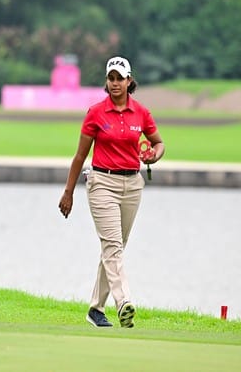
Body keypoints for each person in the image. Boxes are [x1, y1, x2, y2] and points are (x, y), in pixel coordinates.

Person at [58, 56, 165, 328]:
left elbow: (158, 142)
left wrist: (154, 156)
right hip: (102, 183)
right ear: (107, 81)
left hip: (132, 185)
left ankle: (95, 309)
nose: (115, 83)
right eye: (111, 78)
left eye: (120, 78)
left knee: (115, 248)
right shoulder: (96, 113)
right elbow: (80, 155)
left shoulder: (141, 112)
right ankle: (123, 303)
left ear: (130, 81)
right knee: (113, 247)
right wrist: (68, 192)